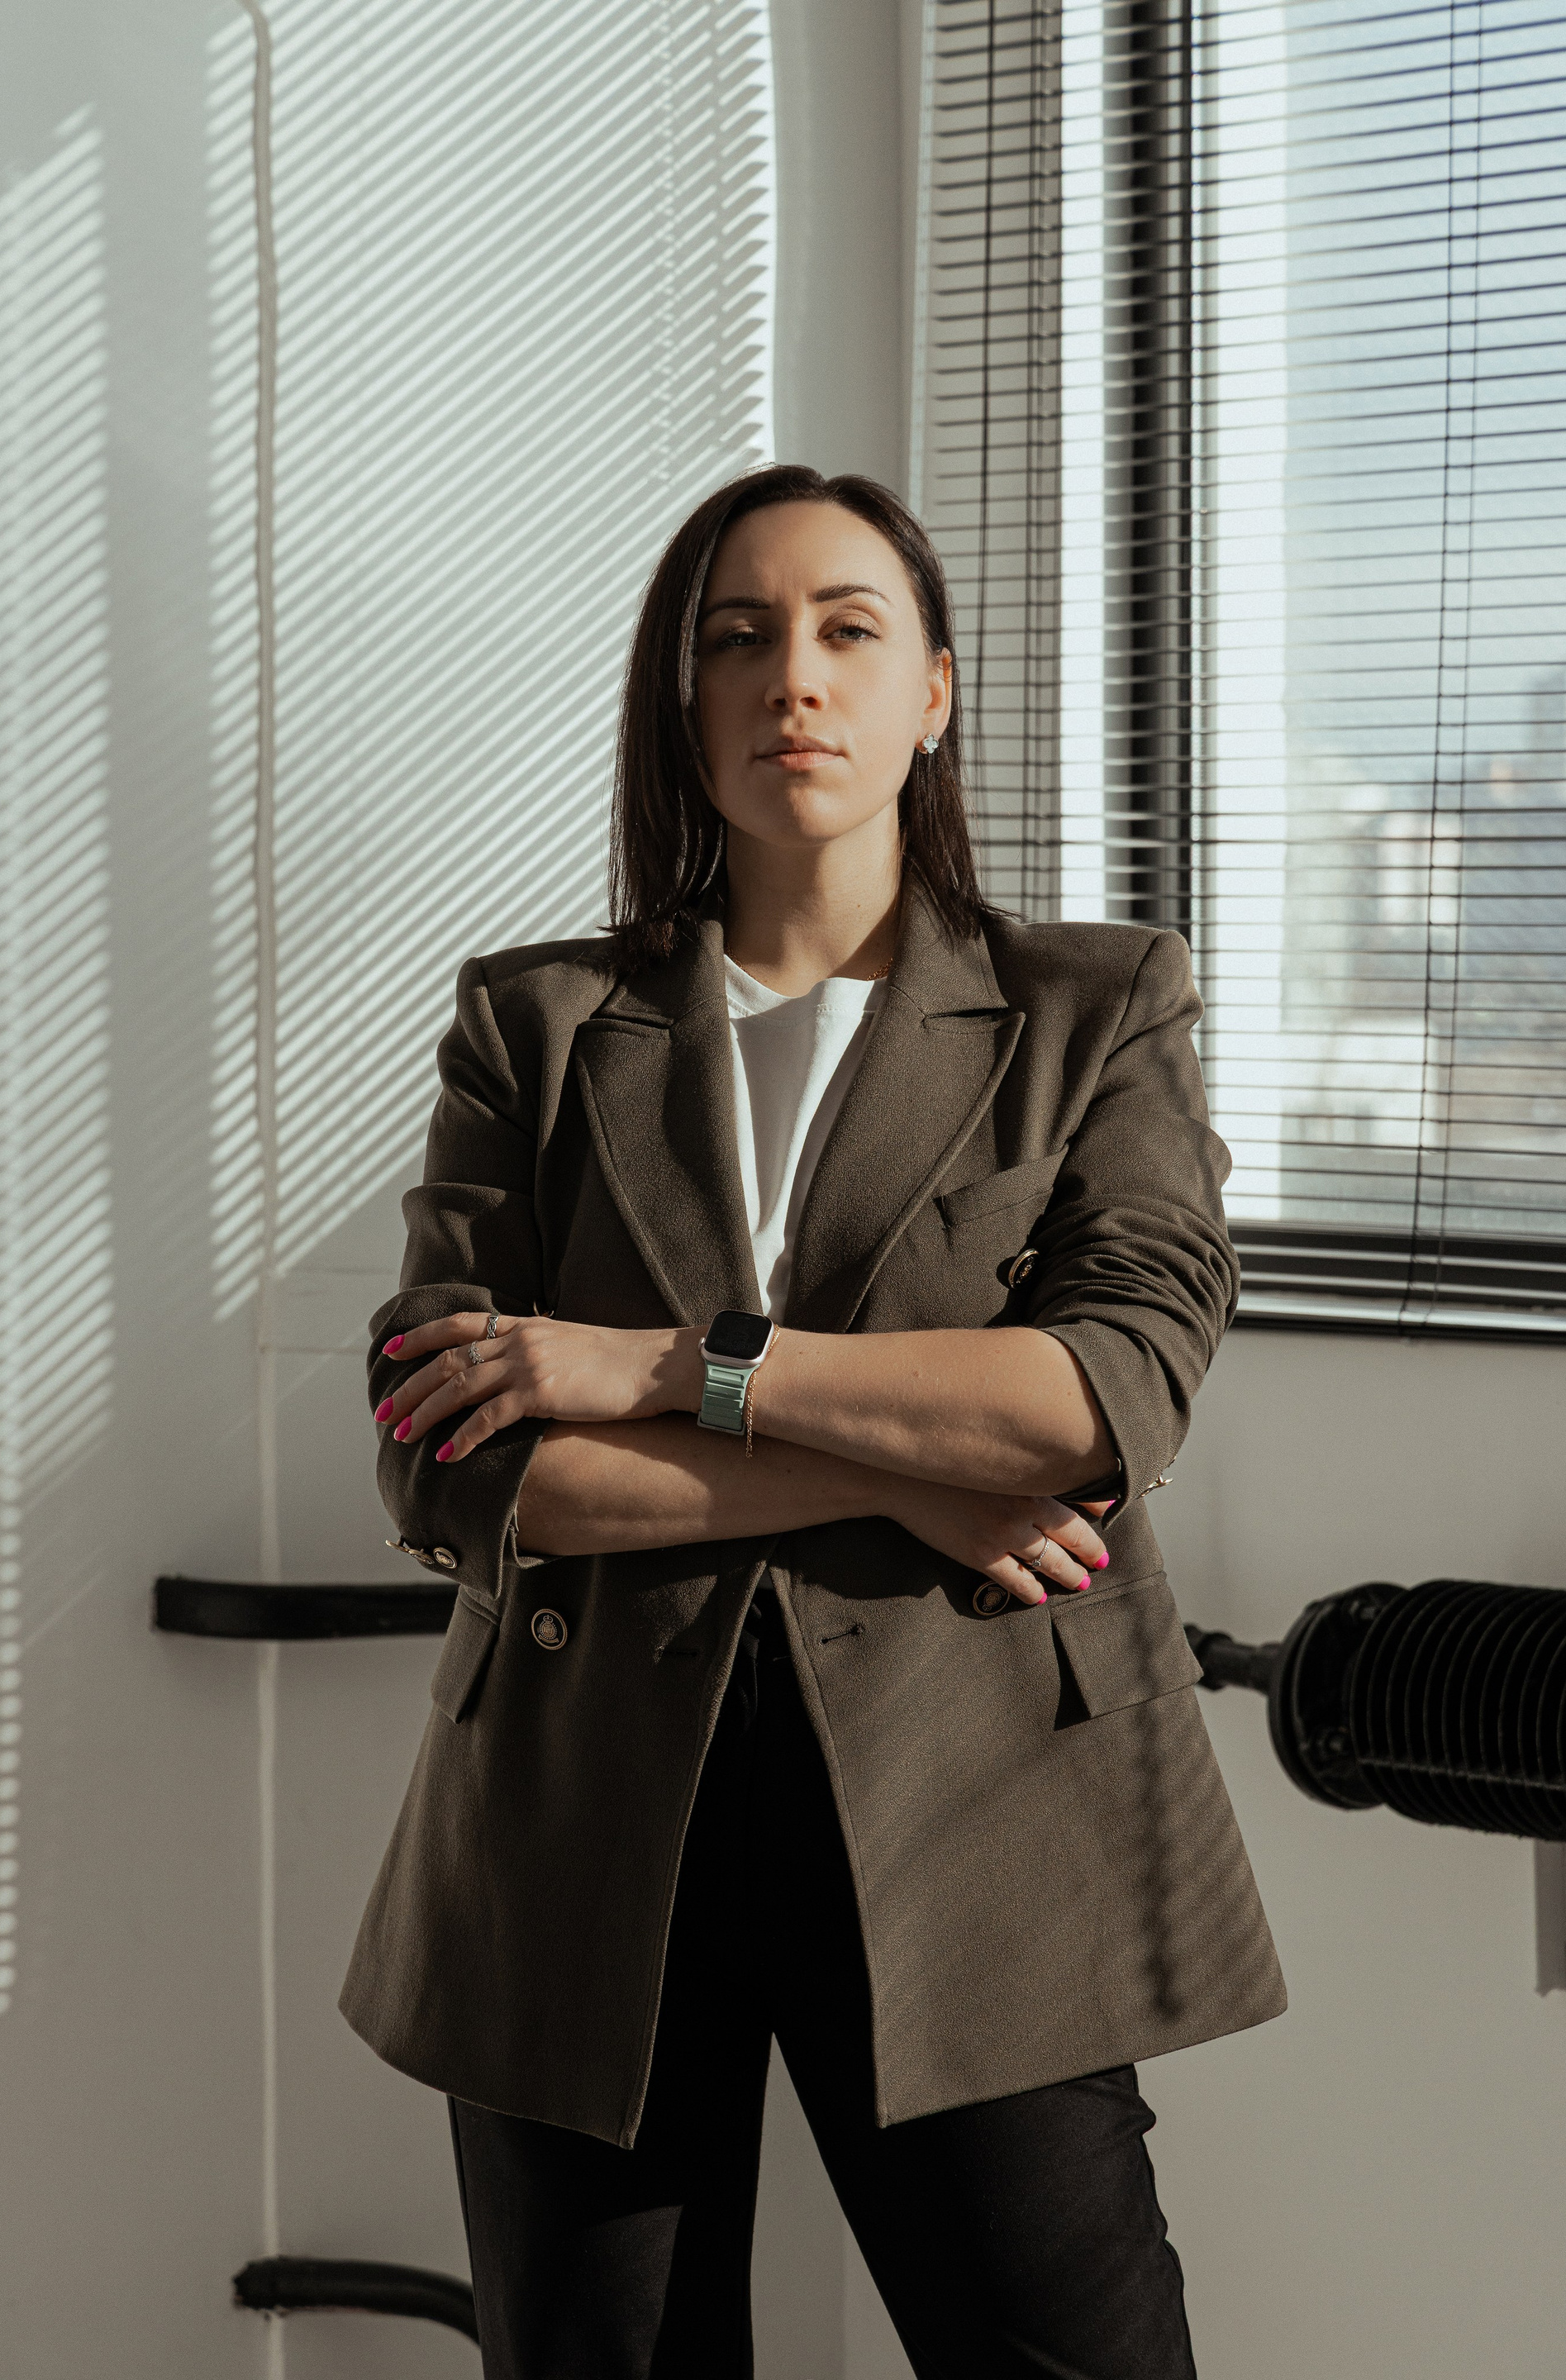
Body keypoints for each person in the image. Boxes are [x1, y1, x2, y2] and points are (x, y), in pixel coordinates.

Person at [341, 464, 1286, 2378]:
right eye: (740, 636)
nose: (796, 676)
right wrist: (917, 1486)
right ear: (682, 701)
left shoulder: (1096, 1006)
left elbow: (1101, 1397)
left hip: (984, 1802)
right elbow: (471, 1464)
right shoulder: (532, 1024)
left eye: (851, 629)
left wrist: (654, 1365)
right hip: (581, 1828)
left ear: (932, 690)